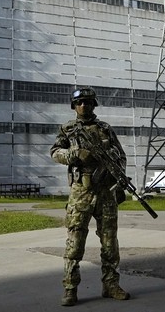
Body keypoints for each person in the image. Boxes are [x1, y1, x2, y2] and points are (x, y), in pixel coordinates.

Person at [50, 87, 130, 307]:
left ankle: (111, 285)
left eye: (88, 102)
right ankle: (70, 288)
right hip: (81, 193)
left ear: (94, 104)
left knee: (110, 243)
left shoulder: (105, 129)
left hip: (106, 192)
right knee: (75, 244)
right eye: (80, 103)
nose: (83, 106)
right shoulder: (67, 129)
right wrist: (74, 154)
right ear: (74, 106)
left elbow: (121, 156)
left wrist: (116, 174)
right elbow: (55, 152)